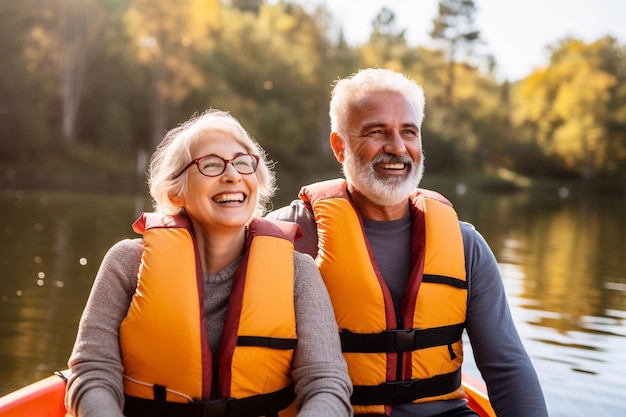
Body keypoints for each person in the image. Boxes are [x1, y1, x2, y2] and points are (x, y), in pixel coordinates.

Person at [267, 68, 549, 417]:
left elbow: (507, 366)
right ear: (340, 146)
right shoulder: (287, 235)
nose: (397, 147)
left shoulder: (465, 244)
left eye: (408, 132)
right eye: (377, 131)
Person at [65, 110, 353, 417]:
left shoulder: (299, 273)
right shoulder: (126, 262)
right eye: (211, 165)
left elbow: (327, 385)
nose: (232, 176)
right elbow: (93, 373)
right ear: (176, 191)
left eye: (243, 163)